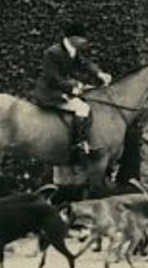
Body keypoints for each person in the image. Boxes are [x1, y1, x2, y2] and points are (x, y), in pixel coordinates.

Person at [32, 20, 112, 164]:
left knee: (88, 100)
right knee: (83, 108)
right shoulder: (52, 52)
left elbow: (85, 63)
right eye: (83, 38)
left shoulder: (72, 50)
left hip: (61, 89)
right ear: (73, 38)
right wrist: (75, 88)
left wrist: (100, 74)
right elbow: (53, 78)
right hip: (50, 93)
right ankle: (78, 145)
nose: (85, 42)